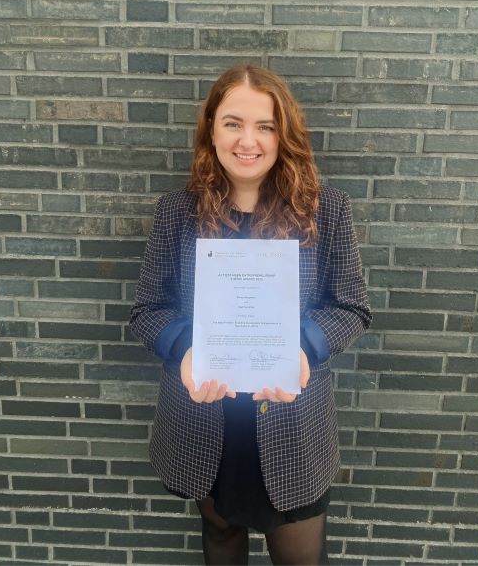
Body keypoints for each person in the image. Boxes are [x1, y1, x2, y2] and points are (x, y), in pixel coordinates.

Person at [129, 64, 372, 565]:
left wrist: (302, 350)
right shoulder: (177, 212)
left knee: (300, 558)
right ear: (211, 130)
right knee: (220, 538)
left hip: (291, 418)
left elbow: (351, 306)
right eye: (233, 123)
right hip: (204, 417)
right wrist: (186, 351)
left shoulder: (326, 209)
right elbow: (149, 309)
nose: (248, 141)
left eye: (265, 126)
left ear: (285, 135)